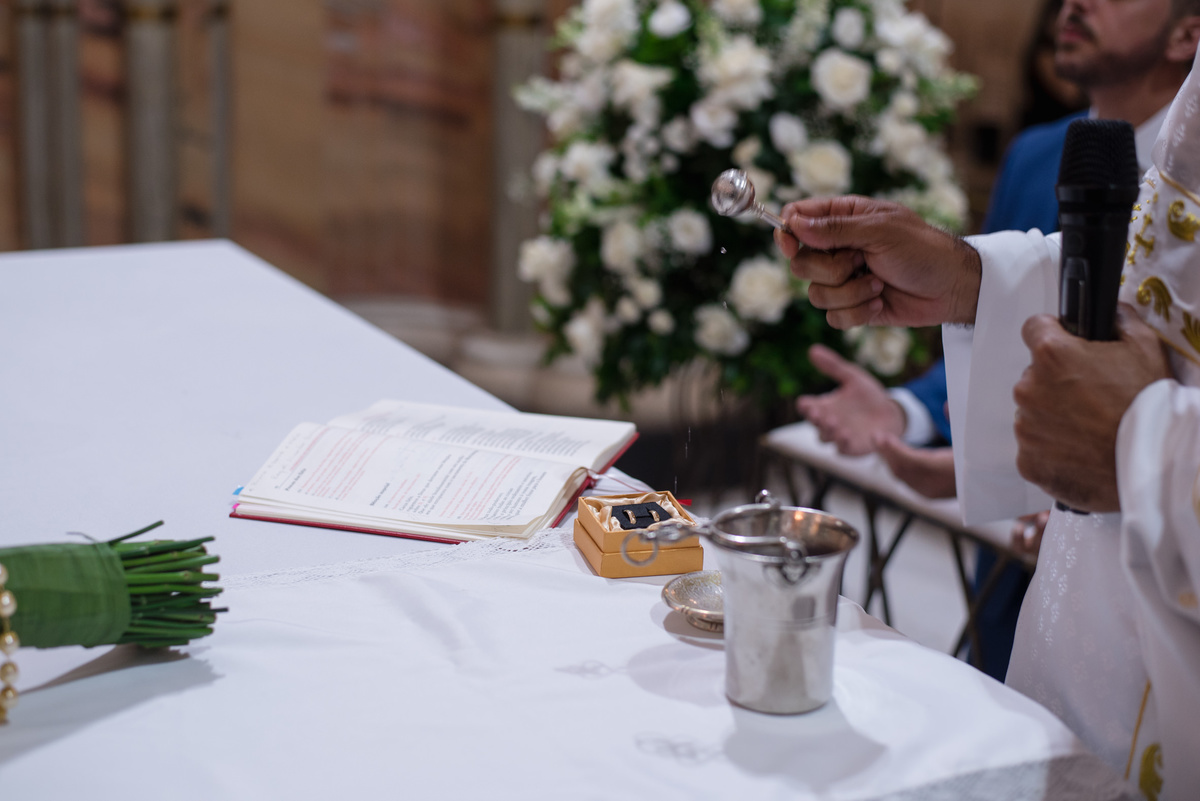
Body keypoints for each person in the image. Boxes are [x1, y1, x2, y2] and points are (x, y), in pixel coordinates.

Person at [773, 23, 1200, 797]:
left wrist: (1147, 445)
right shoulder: (1048, 152)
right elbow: (1168, 289)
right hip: (1096, 609)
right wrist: (971, 280)